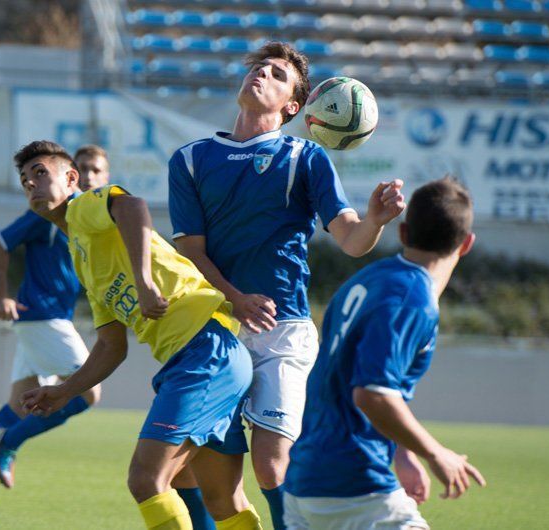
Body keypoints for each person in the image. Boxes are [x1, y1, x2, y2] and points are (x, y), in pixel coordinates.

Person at [168, 41, 405, 528]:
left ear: (295, 107)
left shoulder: (305, 158)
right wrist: (235, 300)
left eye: (277, 75)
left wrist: (377, 219)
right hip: (214, 326)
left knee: (271, 465)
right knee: (191, 473)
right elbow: (191, 253)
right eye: (259, 67)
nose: (262, 74)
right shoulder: (189, 159)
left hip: (283, 331)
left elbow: (352, 240)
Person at [15, 140, 262, 530]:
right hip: (208, 358)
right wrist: (63, 391)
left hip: (205, 351)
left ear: (71, 178)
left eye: (42, 173)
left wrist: (145, 280)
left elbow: (133, 206)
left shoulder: (84, 206)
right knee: (222, 500)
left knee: (147, 480)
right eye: (26, 180)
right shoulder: (81, 256)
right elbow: (111, 346)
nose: (32, 183)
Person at [283, 177, 487, 529]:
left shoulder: (368, 280)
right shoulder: (412, 301)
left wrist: (404, 453)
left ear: (404, 232)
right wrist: (435, 453)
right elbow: (371, 394)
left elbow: (357, 377)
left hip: (305, 478)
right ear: (466, 244)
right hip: (354, 486)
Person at [0, 168, 100, 514]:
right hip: (43, 318)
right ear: (71, 177)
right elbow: (0, 242)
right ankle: (10, 441)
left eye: (97, 170)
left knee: (19, 405)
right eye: (83, 168)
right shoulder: (48, 213)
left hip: (47, 320)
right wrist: (1, 296)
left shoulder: (90, 218)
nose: (90, 176)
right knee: (88, 391)